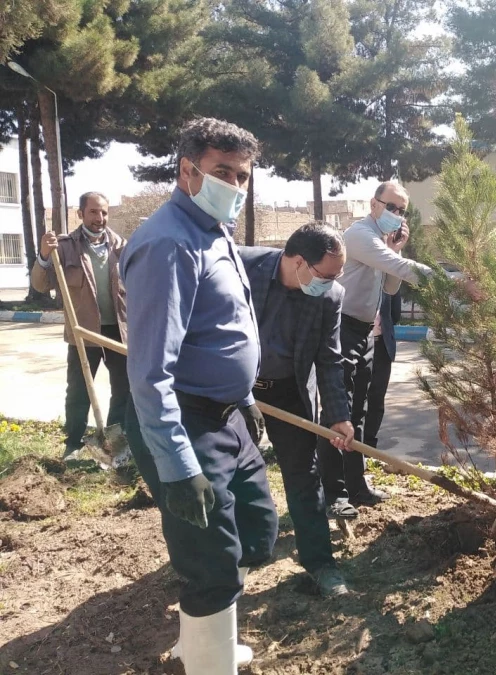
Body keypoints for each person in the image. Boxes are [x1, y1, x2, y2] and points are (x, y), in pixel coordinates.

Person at [120, 118, 279, 673]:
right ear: (188, 171)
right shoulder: (168, 244)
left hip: (226, 416)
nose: (234, 185)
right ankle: (209, 661)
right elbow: (149, 373)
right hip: (185, 421)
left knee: (257, 533)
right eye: (222, 172)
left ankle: (204, 642)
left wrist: (246, 399)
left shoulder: (214, 230)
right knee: (211, 562)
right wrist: (177, 464)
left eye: (242, 176)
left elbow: (221, 329)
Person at [317, 181, 480, 519]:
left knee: (359, 412)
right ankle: (332, 493)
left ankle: (356, 486)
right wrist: (454, 281)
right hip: (340, 328)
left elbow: (391, 287)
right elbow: (402, 271)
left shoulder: (380, 242)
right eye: (390, 206)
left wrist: (396, 250)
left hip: (364, 332)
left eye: (401, 210)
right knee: (338, 413)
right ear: (373, 204)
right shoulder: (360, 235)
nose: (395, 214)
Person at [239, 224, 355, 597]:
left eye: (337, 275)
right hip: (236, 390)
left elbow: (329, 358)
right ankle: (233, 558)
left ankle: (320, 564)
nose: (333, 283)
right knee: (230, 474)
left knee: (304, 476)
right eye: (327, 275)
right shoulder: (241, 266)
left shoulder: (329, 296)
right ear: (299, 262)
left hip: (289, 393)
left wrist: (339, 415)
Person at [31, 192, 129, 456]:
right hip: (83, 331)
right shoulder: (64, 247)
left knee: (124, 389)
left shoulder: (121, 246)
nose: (100, 218)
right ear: (81, 214)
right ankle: (73, 444)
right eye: (94, 212)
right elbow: (40, 284)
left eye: (104, 212)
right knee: (78, 391)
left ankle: (115, 445)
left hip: (118, 331)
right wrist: (44, 255)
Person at [350, 290, 402, 450]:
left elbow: (395, 314)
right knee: (356, 396)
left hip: (381, 346)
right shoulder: (354, 280)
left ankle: (369, 447)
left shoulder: (389, 280)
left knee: (377, 398)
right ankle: (352, 445)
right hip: (356, 343)